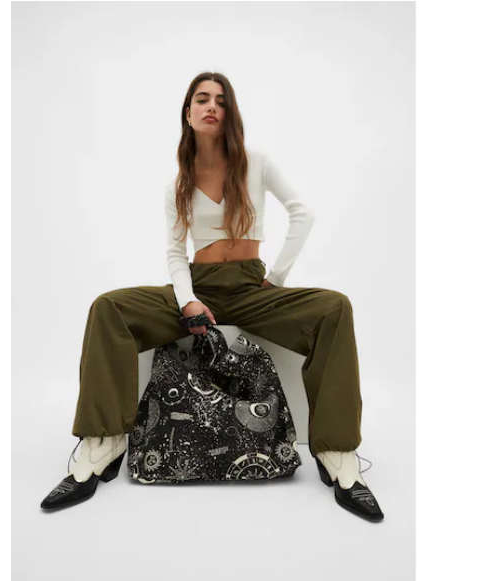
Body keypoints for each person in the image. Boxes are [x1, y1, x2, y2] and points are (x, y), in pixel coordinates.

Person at [40, 72, 384, 522]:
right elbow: (175, 253)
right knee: (110, 308)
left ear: (229, 113)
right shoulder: (178, 184)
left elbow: (303, 214)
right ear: (188, 113)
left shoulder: (256, 164)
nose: (211, 107)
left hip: (251, 288)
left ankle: (337, 453)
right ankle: (102, 445)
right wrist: (187, 300)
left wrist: (276, 279)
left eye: (221, 101)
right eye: (202, 99)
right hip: (198, 287)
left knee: (334, 307)